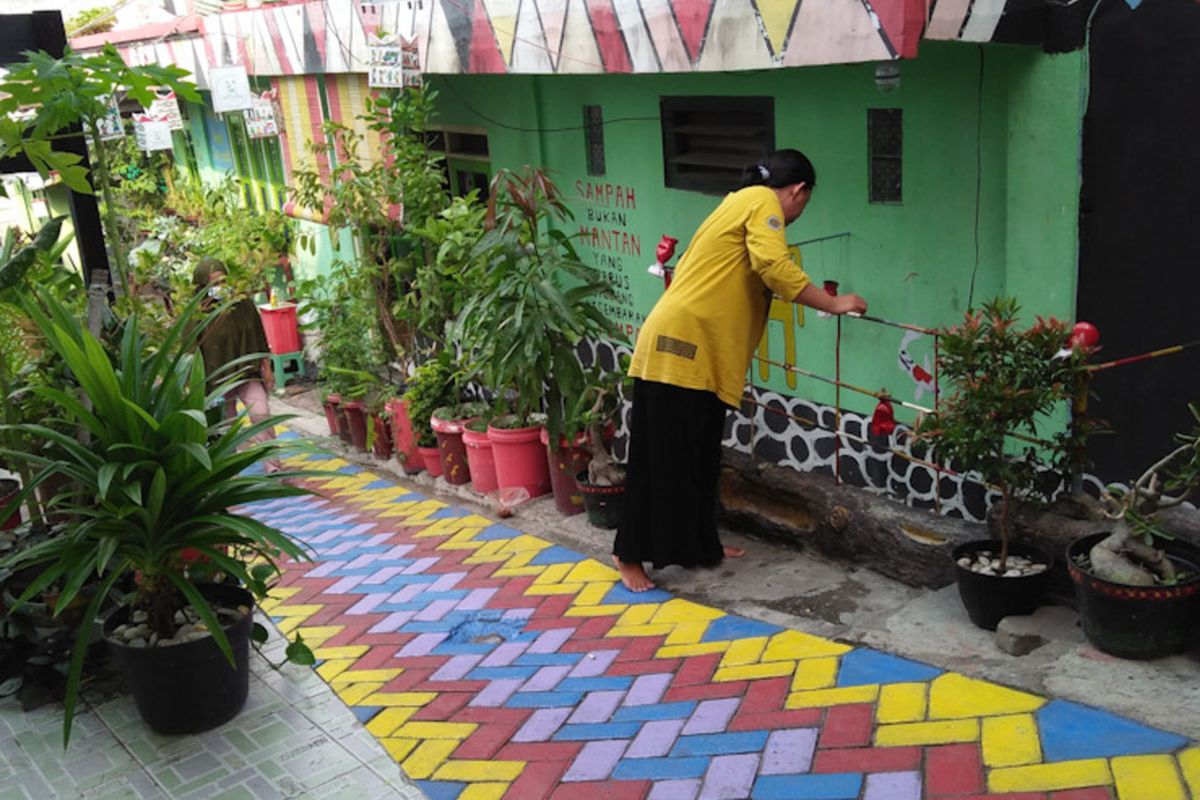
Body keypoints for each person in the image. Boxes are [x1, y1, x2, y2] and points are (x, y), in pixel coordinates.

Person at [613, 149, 868, 592]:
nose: (797, 215)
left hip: (701, 353)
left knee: (700, 455)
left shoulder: (738, 201)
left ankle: (697, 544)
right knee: (662, 458)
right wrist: (834, 303)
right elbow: (773, 266)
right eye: (803, 205)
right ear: (798, 190)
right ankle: (628, 552)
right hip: (679, 348)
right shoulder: (762, 202)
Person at [192, 257, 282, 474]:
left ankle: (273, 466)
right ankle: (227, 471)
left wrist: (266, 367)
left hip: (247, 373)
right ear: (202, 286)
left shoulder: (243, 304)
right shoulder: (197, 313)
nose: (220, 288)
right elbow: (190, 351)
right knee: (225, 427)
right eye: (213, 284)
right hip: (216, 381)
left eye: (223, 281)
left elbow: (258, 336)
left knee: (261, 414)